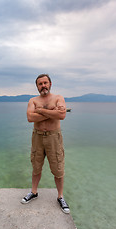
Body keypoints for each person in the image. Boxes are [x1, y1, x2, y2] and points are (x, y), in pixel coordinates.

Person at [21, 73, 70, 214]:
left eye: (45, 83)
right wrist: (51, 112)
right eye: (40, 84)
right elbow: (30, 118)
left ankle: (60, 196)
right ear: (37, 86)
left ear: (50, 84)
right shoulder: (33, 100)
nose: (43, 86)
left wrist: (41, 111)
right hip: (37, 137)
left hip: (54, 137)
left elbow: (62, 115)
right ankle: (34, 192)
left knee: (58, 168)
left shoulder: (58, 98)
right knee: (36, 166)